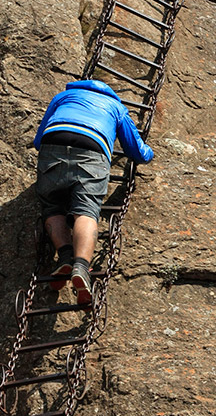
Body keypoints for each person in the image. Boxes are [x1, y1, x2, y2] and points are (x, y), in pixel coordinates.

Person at [34, 80, 154, 304]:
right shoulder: (115, 106)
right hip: (92, 145)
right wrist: (149, 154)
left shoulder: (63, 97)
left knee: (52, 207)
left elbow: (38, 140)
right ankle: (81, 267)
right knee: (86, 210)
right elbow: (135, 150)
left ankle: (66, 255)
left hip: (54, 141)